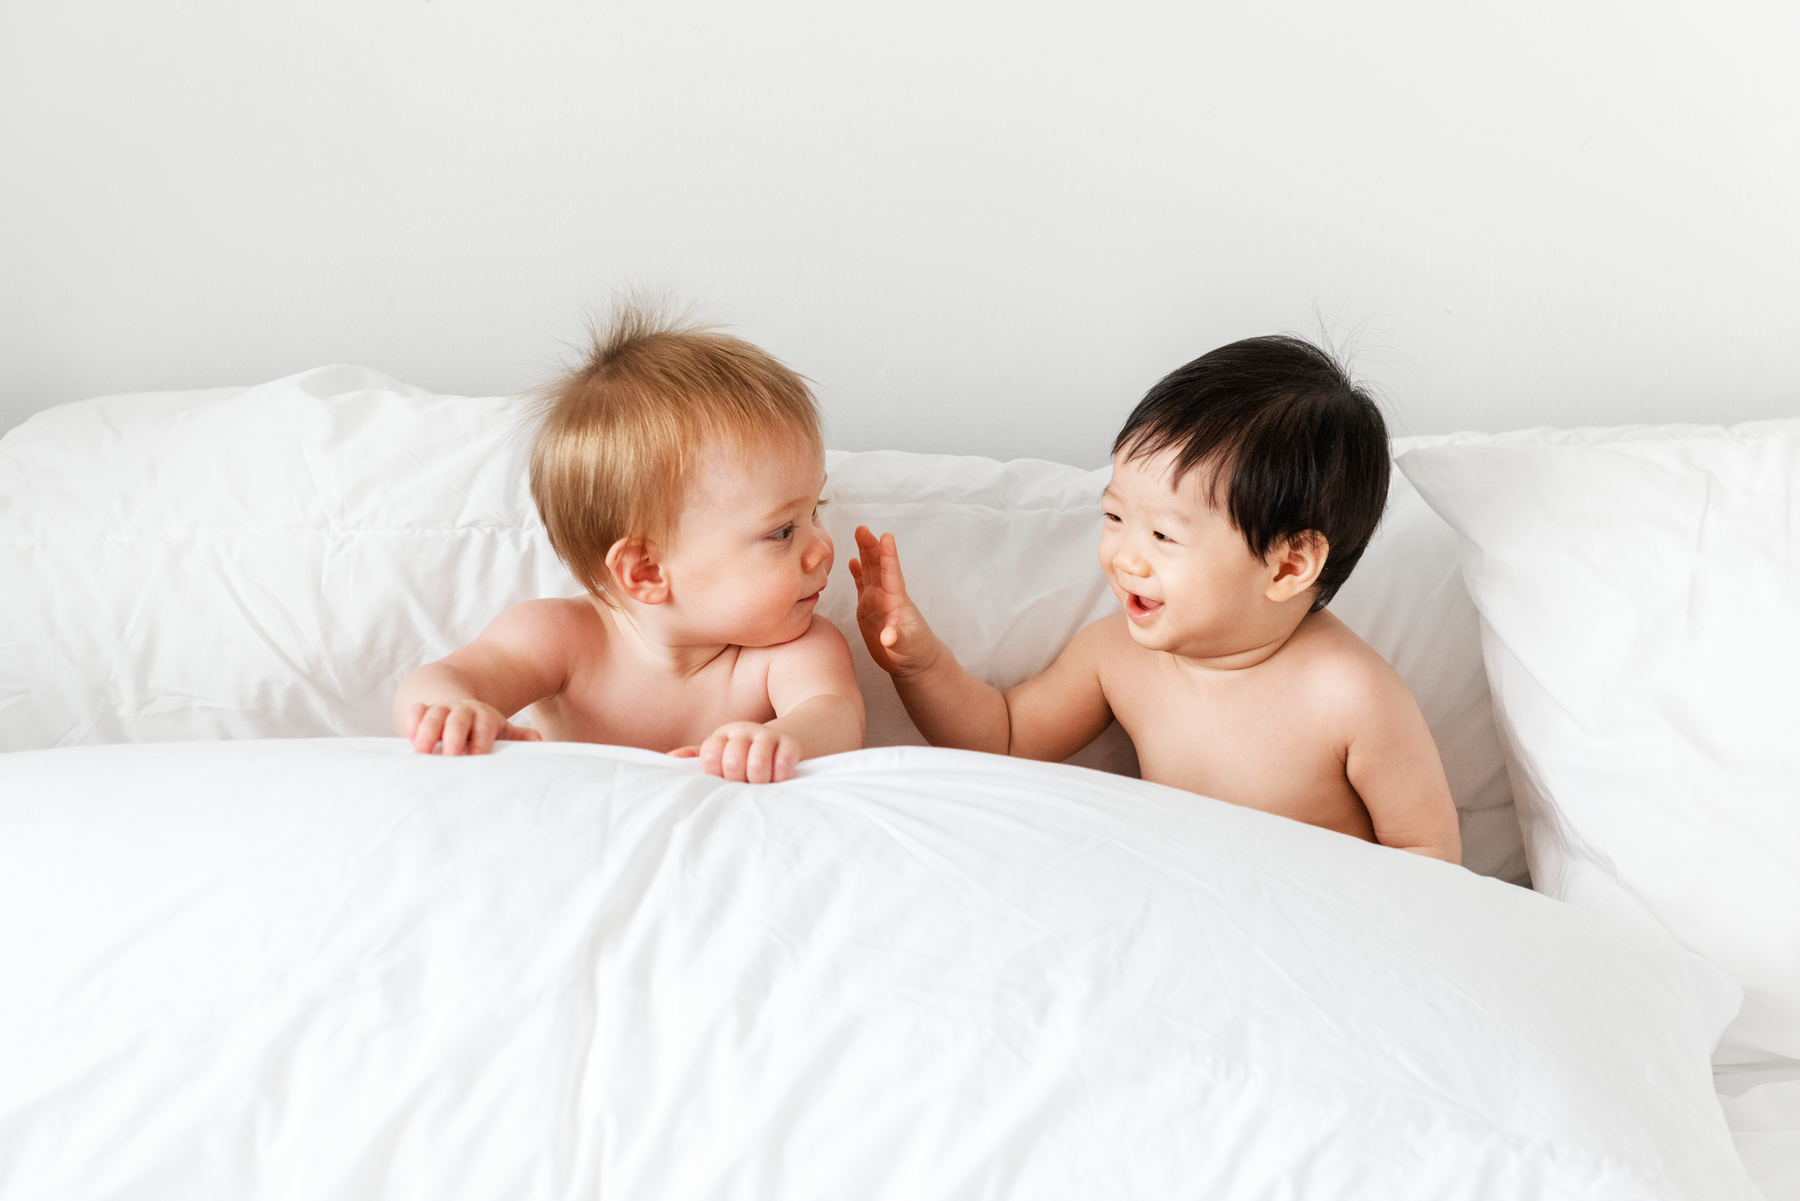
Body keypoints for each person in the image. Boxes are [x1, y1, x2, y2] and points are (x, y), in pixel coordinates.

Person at [851, 336, 1461, 861]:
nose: (1125, 558)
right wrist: (919, 662)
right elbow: (1003, 738)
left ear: (1289, 565)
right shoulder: (1116, 656)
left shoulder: (1349, 695)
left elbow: (1428, 856)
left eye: (1164, 534)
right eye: (1115, 515)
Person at [393, 307, 864, 783]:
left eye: (815, 510)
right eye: (782, 531)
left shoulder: (794, 649)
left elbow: (835, 716)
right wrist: (451, 712)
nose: (822, 547)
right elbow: (441, 679)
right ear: (646, 572)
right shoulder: (562, 638)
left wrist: (783, 739)